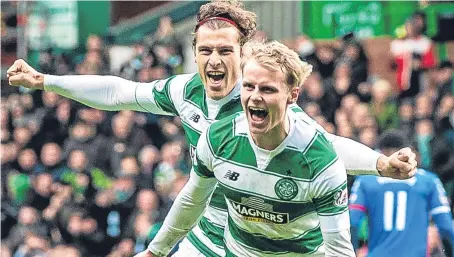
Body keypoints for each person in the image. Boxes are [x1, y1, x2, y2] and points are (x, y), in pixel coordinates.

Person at [7, 1, 416, 256]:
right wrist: (47, 81)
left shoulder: (263, 96)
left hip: (268, 236)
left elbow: (325, 147)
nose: (214, 59)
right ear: (195, 53)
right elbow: (120, 91)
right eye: (205, 50)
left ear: (243, 53)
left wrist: (380, 163)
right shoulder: (186, 91)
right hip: (208, 232)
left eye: (225, 50)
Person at [146, 40, 355, 257]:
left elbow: (339, 250)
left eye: (267, 89)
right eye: (248, 86)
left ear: (292, 96)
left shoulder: (320, 160)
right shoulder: (218, 138)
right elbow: (192, 200)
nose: (255, 96)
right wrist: (154, 252)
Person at [349, 129, 454, 257]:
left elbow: (352, 222)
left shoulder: (365, 181)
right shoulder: (429, 181)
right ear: (408, 152)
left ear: (381, 152)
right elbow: (446, 227)